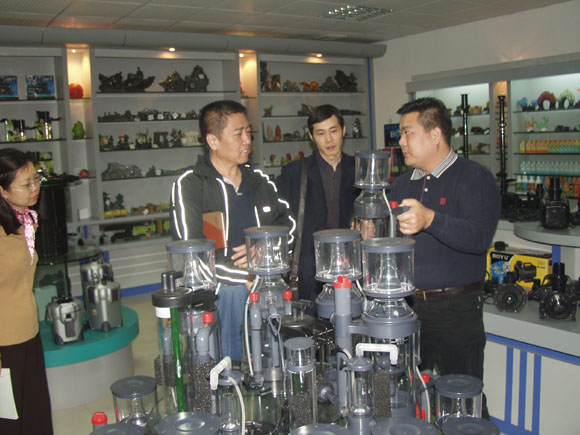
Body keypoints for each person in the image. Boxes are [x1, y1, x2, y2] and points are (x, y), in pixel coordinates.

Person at [388, 97, 501, 416]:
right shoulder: (401, 184)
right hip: (409, 307)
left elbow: (479, 238)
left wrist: (431, 219)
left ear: (435, 134)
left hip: (456, 310)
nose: (401, 141)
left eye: (408, 133)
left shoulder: (474, 178)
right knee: (404, 395)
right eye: (401, 134)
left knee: (463, 400)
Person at [170, 100, 294, 361]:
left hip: (265, 285)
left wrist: (264, 252)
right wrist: (248, 275)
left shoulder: (260, 182)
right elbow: (192, 256)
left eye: (249, 131)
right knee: (233, 298)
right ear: (213, 141)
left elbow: (288, 225)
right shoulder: (191, 186)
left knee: (274, 357)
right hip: (218, 296)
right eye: (238, 133)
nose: (247, 140)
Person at [276, 104, 358, 308]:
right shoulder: (295, 173)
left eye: (333, 131)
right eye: (321, 133)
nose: (329, 139)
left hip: (352, 265)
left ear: (343, 131)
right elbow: (277, 217)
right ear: (311, 137)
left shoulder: (359, 169)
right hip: (309, 270)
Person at [0, 148, 53, 434]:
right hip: (4, 340)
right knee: (9, 419)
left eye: (36, 179)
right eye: (26, 184)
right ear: (3, 191)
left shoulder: (26, 221)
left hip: (28, 331)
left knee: (34, 412)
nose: (35, 188)